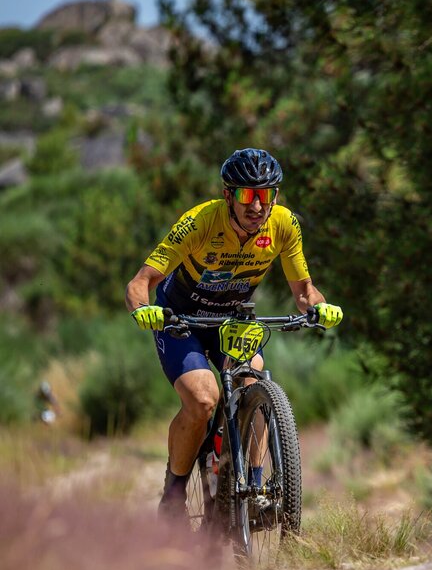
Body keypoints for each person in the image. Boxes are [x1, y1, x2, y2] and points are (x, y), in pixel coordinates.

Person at [125, 148, 343, 521]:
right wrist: (144, 310)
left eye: (265, 195)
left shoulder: (284, 225)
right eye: (246, 195)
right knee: (203, 400)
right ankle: (174, 493)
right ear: (228, 196)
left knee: (252, 376)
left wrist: (320, 307)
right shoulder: (200, 222)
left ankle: (255, 490)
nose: (256, 206)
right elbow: (141, 281)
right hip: (182, 319)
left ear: (275, 196)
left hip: (232, 320)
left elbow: (305, 291)